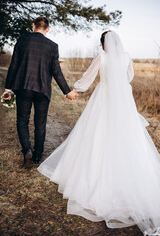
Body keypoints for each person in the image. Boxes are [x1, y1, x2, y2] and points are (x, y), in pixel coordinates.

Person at [38, 31, 160, 236]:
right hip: (123, 100)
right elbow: (128, 77)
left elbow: (88, 77)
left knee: (97, 137)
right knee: (128, 139)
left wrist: (75, 89)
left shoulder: (101, 57)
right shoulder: (127, 57)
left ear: (103, 44)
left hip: (103, 98)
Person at [2, 16, 78, 165]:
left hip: (23, 87)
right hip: (43, 90)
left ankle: (27, 150)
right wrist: (67, 91)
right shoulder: (53, 46)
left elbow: (14, 65)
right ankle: (37, 156)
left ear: (34, 26)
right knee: (40, 122)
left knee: (22, 120)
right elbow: (57, 71)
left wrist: (8, 88)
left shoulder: (22, 41)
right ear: (47, 29)